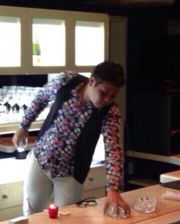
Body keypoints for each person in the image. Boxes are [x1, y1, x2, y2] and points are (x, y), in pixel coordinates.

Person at [13, 61, 131, 216]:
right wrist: (24, 126)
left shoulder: (110, 112)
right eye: (103, 93)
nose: (107, 100)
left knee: (68, 219)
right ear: (92, 81)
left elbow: (113, 150)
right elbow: (40, 98)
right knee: (31, 212)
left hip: (71, 174)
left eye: (113, 96)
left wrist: (113, 189)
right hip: (40, 159)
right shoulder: (66, 80)